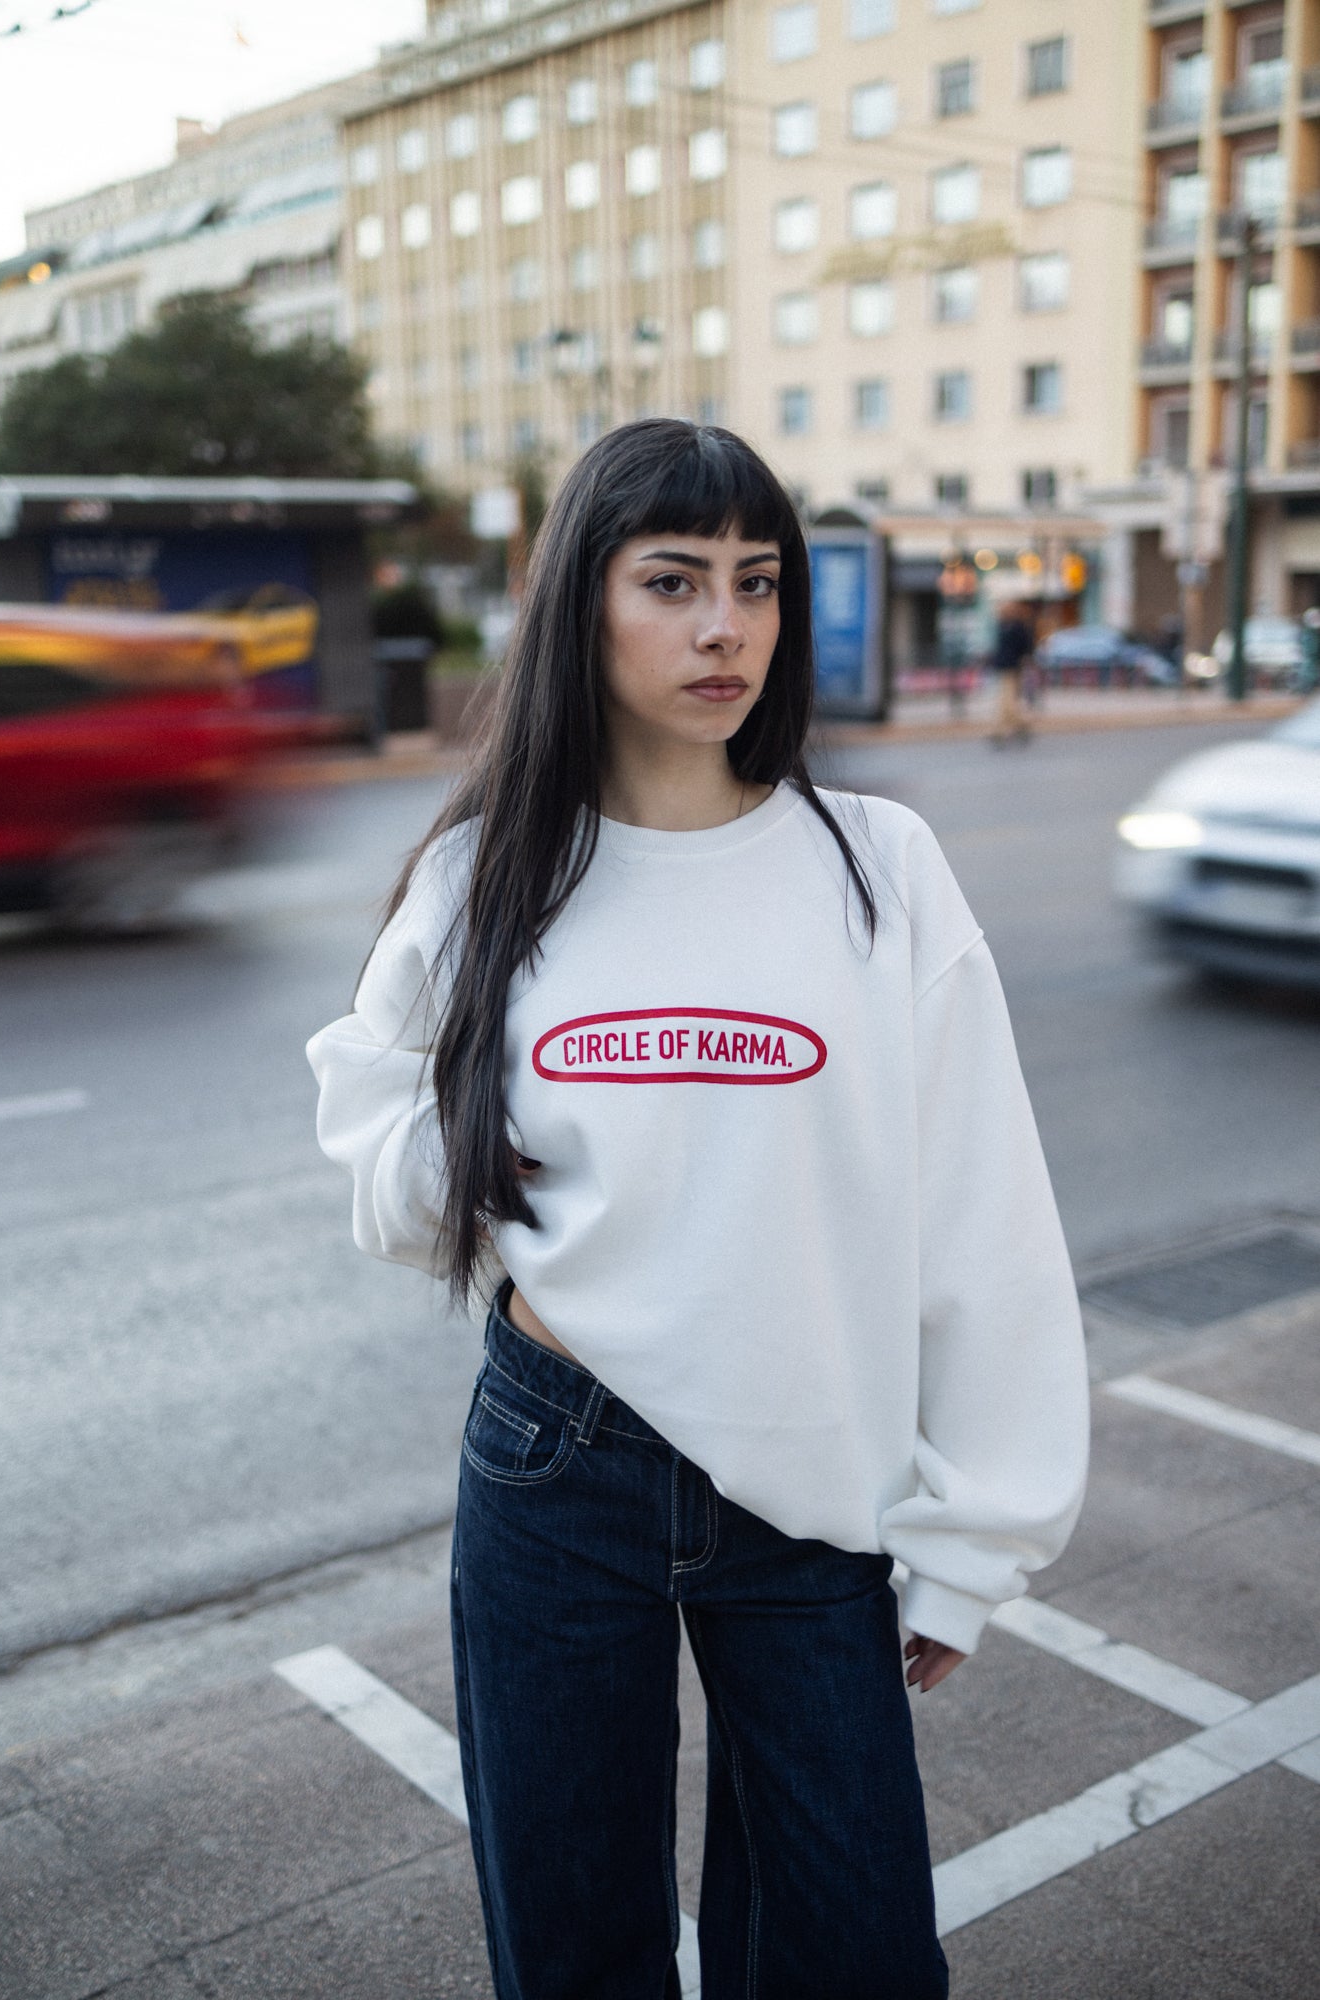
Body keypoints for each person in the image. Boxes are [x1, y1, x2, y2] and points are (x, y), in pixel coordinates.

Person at [307, 421, 1089, 2000]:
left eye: (756, 583)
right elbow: (378, 1154)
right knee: (577, 1952)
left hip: (816, 1476)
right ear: (582, 607)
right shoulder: (486, 876)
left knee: (853, 1954)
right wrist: (494, 1164)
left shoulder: (877, 865)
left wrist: (976, 1537)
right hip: (558, 1461)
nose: (723, 626)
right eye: (670, 583)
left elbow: (984, 1211)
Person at [990, 600, 1036, 742]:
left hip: (1013, 667)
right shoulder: (1002, 626)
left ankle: (1007, 728)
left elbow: (1025, 646)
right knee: (1005, 700)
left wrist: (1025, 660)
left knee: (1008, 700)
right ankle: (1015, 726)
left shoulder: (1018, 627)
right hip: (1003, 666)